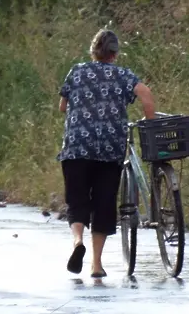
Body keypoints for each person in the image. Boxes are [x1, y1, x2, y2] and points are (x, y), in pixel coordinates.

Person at [57, 29, 155, 278]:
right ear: (115, 53)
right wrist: (150, 121)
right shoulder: (123, 75)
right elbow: (146, 95)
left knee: (77, 200)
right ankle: (97, 264)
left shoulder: (77, 71)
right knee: (103, 203)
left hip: (77, 147)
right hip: (109, 149)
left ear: (93, 51)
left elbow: (62, 106)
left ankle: (78, 241)